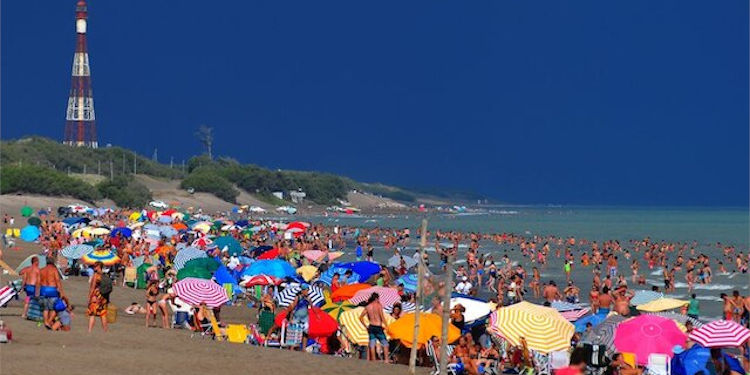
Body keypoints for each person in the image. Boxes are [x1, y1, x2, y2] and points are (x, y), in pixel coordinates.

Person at [359, 292, 389, 363]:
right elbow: (382, 317)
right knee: (385, 343)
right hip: (378, 326)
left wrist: (366, 326)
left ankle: (373, 359)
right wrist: (386, 326)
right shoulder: (379, 306)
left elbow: (360, 317)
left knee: (372, 343)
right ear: (376, 298)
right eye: (378, 298)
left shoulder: (368, 306)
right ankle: (386, 360)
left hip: (371, 326)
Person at [39, 256, 65, 329]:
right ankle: (50, 321)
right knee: (53, 308)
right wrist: (61, 291)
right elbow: (57, 281)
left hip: (43, 289)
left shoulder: (42, 270)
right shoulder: (54, 270)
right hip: (52, 289)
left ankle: (46, 322)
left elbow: (39, 281)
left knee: (45, 308)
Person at [87, 262, 109, 332]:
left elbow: (92, 287)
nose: (94, 267)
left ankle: (90, 330)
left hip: (96, 296)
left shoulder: (96, 275)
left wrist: (90, 296)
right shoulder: (105, 275)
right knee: (103, 314)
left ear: (99, 267)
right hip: (103, 296)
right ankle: (105, 330)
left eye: (95, 266)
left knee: (92, 314)